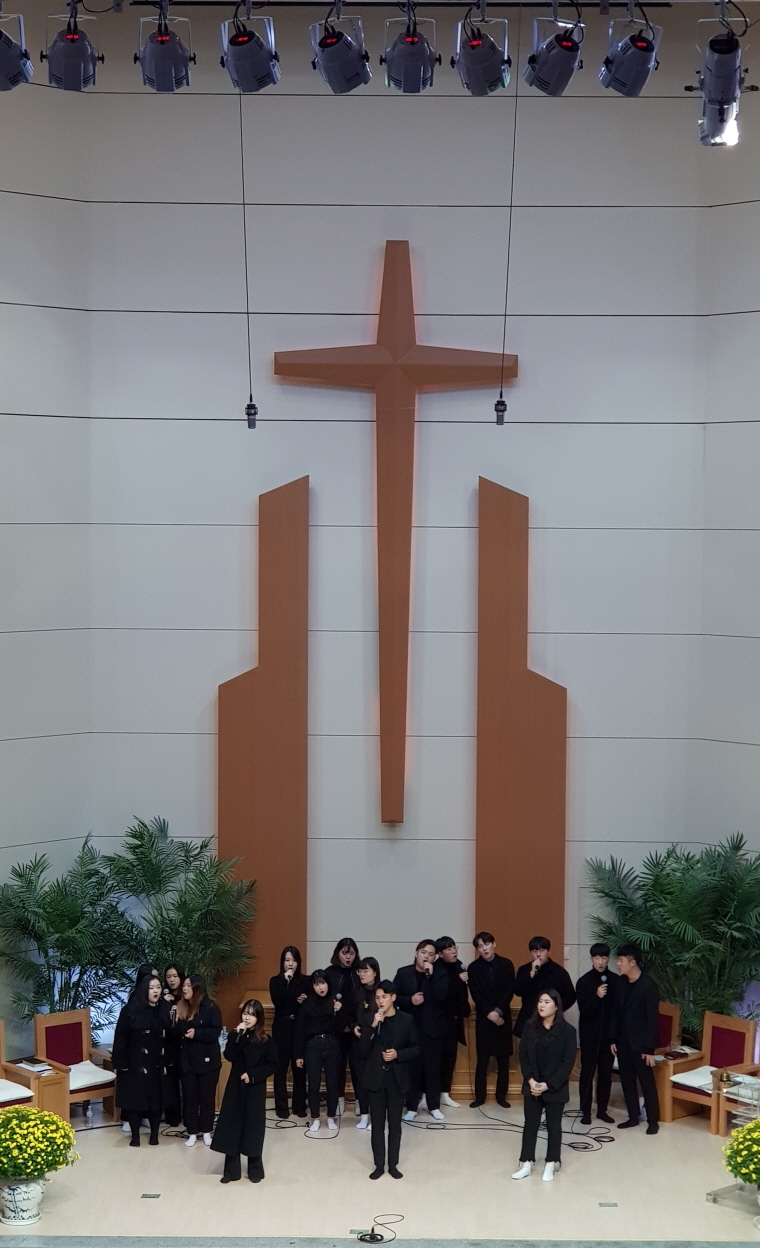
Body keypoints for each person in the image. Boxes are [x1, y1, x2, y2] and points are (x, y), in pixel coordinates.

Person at [512, 988, 577, 1183]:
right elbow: (523, 1055)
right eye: (540, 1001)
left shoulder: (568, 1032)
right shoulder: (530, 1026)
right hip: (532, 1084)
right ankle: (526, 1162)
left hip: (555, 1087)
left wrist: (548, 1085)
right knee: (530, 1124)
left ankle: (552, 1162)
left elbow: (567, 1063)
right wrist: (531, 1080)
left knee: (553, 1126)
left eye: (547, 1002)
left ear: (556, 1006)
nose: (542, 1005)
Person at [211, 999, 278, 1183]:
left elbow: (273, 1065)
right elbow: (229, 1055)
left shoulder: (266, 1040)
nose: (247, 1018)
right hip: (235, 1086)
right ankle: (231, 1171)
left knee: (252, 1127)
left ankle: (255, 1170)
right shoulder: (236, 1035)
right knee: (232, 1125)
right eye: (245, 1014)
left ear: (259, 1018)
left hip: (254, 1089)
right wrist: (237, 1036)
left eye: (252, 1015)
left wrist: (253, 1075)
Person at [359, 981, 420, 1180]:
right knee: (377, 1126)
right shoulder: (369, 1019)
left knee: (395, 1125)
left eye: (384, 997)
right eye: (377, 998)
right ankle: (379, 1165)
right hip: (376, 1079)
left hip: (396, 1079)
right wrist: (373, 1025)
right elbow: (362, 1049)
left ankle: (393, 1165)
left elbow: (416, 1048)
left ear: (393, 997)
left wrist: (398, 1054)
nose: (380, 1001)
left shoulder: (406, 1019)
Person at [394, 939, 448, 1121]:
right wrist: (410, 1000)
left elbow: (442, 996)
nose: (426, 957)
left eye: (431, 954)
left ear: (435, 958)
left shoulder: (440, 974)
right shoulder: (403, 973)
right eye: (424, 952)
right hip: (410, 1031)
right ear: (416, 953)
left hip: (433, 1030)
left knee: (433, 1070)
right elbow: (393, 997)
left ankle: (434, 1105)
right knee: (412, 1070)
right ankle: (411, 1106)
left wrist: (430, 977)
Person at [610, 943, 660, 1134]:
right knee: (627, 1080)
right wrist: (613, 1038)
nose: (618, 964)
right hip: (623, 1041)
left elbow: (652, 1020)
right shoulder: (621, 983)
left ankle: (653, 1120)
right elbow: (616, 1012)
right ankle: (633, 1117)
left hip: (641, 1044)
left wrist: (649, 1049)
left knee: (646, 1082)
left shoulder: (648, 986)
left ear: (632, 962)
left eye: (621, 960)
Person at [113, 975, 168, 1147]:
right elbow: (120, 1038)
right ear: (144, 990)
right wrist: (120, 1062)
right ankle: (135, 1137)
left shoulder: (163, 1008)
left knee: (155, 1101)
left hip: (155, 1062)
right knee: (134, 1101)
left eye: (158, 987)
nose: (156, 991)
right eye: (152, 988)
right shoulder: (129, 1010)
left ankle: (154, 1135)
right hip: (134, 1062)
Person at [466, 932, 515, 1109]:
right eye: (480, 946)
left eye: (486, 944)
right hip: (484, 1019)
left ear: (494, 943)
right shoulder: (473, 968)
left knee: (503, 1061)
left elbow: (509, 990)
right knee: (483, 1060)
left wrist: (498, 1011)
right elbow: (475, 994)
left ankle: (501, 1097)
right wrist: (490, 1013)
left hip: (503, 1018)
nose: (484, 949)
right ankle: (480, 1097)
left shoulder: (506, 964)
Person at [174, 974, 222, 1148]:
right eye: (184, 986)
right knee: (190, 1099)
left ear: (197, 988)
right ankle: (192, 1132)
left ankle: (207, 1131)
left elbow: (215, 1031)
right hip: (188, 1061)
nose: (184, 988)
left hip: (208, 1062)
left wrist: (197, 1033)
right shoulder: (181, 1007)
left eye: (188, 985)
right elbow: (176, 1032)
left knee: (207, 1098)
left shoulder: (211, 1007)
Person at [294, 969, 342, 1133]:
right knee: (313, 1084)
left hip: (332, 1045)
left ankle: (330, 1117)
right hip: (313, 1046)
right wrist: (298, 1054)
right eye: (316, 984)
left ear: (328, 983)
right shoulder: (307, 1004)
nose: (320, 987)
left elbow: (341, 1028)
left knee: (332, 1084)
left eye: (323, 983)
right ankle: (315, 1117)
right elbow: (300, 1030)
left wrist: (339, 1012)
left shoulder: (335, 1002)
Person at [575, 943, 618, 1125]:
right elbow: (584, 1010)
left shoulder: (616, 981)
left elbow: (617, 1012)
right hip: (589, 1036)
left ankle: (602, 1110)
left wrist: (614, 1037)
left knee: (606, 1075)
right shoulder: (584, 981)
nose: (600, 962)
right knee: (587, 1073)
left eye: (604, 958)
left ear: (609, 959)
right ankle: (585, 1111)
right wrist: (597, 996)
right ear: (591, 959)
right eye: (597, 958)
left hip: (608, 1037)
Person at [269, 946, 310, 1120]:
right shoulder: (275, 981)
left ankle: (299, 1106)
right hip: (281, 1027)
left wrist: (305, 1000)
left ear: (298, 962)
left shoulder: (305, 981)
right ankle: (281, 1107)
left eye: (293, 960)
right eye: (287, 960)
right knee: (280, 1068)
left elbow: (310, 1002)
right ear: (282, 962)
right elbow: (278, 1001)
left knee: (299, 1067)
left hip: (299, 1027)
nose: (290, 964)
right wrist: (287, 984)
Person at [325, 938, 361, 1115]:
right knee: (337, 1066)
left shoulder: (359, 973)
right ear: (337, 953)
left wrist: (352, 1024)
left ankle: (360, 1100)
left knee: (357, 1066)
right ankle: (338, 1099)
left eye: (351, 953)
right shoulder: (330, 973)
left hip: (356, 1028)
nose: (348, 957)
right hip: (336, 1028)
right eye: (345, 953)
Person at [514, 937, 576, 1038]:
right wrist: (531, 974)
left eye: (542, 950)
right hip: (529, 1018)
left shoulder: (559, 972)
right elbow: (518, 991)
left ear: (549, 951)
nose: (538, 954)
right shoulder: (524, 970)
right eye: (534, 951)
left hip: (551, 1021)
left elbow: (570, 996)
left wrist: (555, 1010)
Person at [434, 937, 470, 1109]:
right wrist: (458, 980)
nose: (454, 951)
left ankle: (445, 1093)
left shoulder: (459, 966)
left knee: (450, 1058)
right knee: (436, 1059)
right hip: (439, 1021)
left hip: (455, 1021)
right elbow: (442, 994)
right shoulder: (437, 969)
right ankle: (429, 1094)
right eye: (449, 949)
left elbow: (461, 992)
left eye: (454, 947)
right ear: (440, 954)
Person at [353, 957, 381, 1129]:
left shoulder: (380, 992)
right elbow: (349, 1014)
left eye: (366, 971)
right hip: (359, 1042)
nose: (362, 974)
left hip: (376, 1042)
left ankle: (376, 1116)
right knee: (361, 1080)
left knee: (376, 1082)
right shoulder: (356, 991)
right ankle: (364, 1115)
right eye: (360, 971)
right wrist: (353, 1026)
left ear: (375, 973)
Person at [161, 965, 184, 1128]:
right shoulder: (163, 998)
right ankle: (173, 1117)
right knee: (171, 1084)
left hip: (184, 1044)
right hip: (168, 1046)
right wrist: (164, 1004)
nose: (172, 980)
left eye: (175, 976)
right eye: (168, 976)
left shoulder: (187, 996)